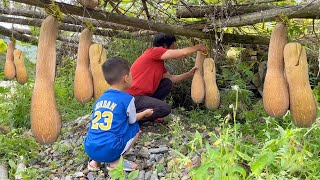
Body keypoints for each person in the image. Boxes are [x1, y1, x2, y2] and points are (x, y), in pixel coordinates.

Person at [84, 57, 153, 171]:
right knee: (135, 128)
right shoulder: (127, 99)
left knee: (100, 131)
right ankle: (116, 162)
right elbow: (132, 120)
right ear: (126, 78)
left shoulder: (100, 99)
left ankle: (94, 162)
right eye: (130, 74)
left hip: (90, 147)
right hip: (110, 149)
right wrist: (145, 113)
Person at [125, 33, 207, 123]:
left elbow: (170, 78)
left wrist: (188, 74)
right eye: (173, 46)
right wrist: (198, 47)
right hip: (132, 97)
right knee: (164, 109)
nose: (174, 49)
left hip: (142, 97)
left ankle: (143, 113)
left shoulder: (158, 62)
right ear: (165, 45)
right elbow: (182, 53)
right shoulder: (154, 51)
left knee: (166, 83)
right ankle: (131, 119)